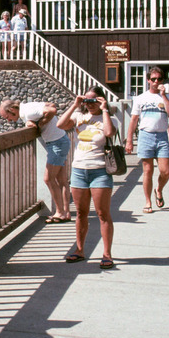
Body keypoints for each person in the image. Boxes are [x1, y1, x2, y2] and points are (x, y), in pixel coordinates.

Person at [57, 88, 117, 268]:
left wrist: (104, 109)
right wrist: (75, 104)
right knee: (81, 213)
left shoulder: (109, 118)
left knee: (102, 213)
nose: (91, 105)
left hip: (99, 170)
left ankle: (107, 253)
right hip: (79, 170)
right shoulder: (78, 116)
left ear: (101, 100)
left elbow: (108, 133)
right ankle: (80, 250)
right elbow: (60, 125)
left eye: (94, 101)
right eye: (88, 101)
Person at [0, 98, 70, 223]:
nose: (8, 120)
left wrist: (38, 124)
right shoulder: (28, 108)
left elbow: (52, 109)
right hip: (60, 140)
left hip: (56, 143)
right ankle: (66, 212)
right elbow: (51, 104)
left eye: (7, 117)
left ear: (12, 110)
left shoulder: (27, 112)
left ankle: (60, 212)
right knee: (62, 180)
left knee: (49, 179)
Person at [125, 66, 169, 214]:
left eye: (159, 79)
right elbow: (134, 119)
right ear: (148, 80)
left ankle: (158, 189)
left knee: (165, 171)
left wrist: (164, 96)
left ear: (163, 81)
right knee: (147, 170)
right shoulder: (141, 98)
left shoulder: (168, 97)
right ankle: (148, 202)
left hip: (162, 136)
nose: (155, 82)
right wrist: (129, 140)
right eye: (153, 79)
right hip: (145, 135)